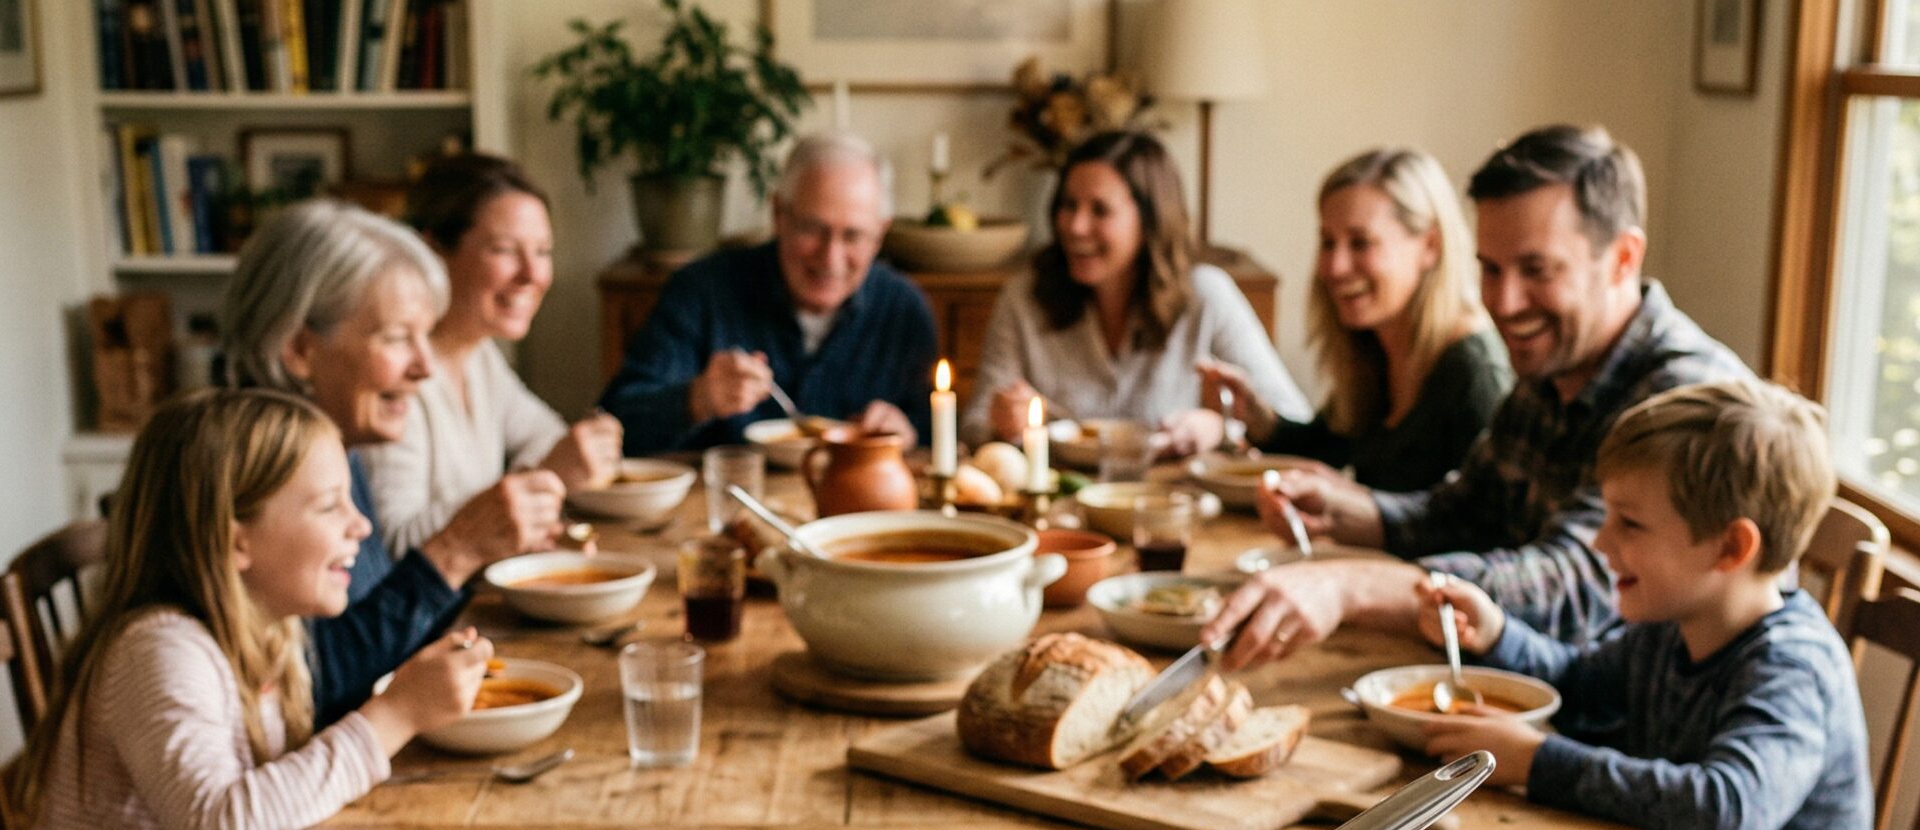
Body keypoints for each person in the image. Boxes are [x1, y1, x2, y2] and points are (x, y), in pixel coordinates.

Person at [1208, 124, 1752, 664]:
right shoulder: (1556, 361)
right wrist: (1353, 513)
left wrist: (1354, 586)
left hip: (1618, 726)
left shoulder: (1687, 396)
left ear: (1623, 258)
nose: (1505, 302)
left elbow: (1580, 586)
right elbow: (1465, 510)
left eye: (1536, 269)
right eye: (1490, 270)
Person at [18, 390, 490, 830]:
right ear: (236, 540)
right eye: (329, 505)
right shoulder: (159, 650)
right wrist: (395, 716)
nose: (360, 526)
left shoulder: (266, 628)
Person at [1413, 381, 1870, 830]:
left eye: (1628, 524)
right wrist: (1497, 632)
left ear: (1730, 548)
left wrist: (1537, 762)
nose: (1602, 543)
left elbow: (1725, 814)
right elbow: (1579, 683)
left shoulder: (1790, 667)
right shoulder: (1674, 623)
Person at [221, 198, 564, 725]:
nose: (425, 368)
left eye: (426, 336)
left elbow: (369, 624)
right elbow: (311, 690)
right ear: (298, 350)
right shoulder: (253, 475)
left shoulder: (334, 448)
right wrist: (454, 550)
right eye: (398, 337)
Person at [967, 129, 1308, 456]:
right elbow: (974, 425)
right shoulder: (1026, 296)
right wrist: (1002, 423)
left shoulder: (1206, 295)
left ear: (1148, 220)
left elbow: (1292, 421)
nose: (1075, 226)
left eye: (1100, 210)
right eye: (1068, 205)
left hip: (1174, 505)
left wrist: (1221, 427)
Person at [599, 133, 938, 454]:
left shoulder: (904, 311)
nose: (830, 258)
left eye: (852, 236)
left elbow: (934, 442)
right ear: (778, 214)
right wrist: (697, 399)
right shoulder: (702, 292)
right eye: (812, 229)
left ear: (880, 234)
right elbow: (613, 426)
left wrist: (906, 434)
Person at [1198, 147, 1509, 493]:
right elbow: (1328, 446)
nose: (1335, 267)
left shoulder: (1473, 373)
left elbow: (1484, 526)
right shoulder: (1375, 342)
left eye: (1361, 243)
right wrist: (1261, 421)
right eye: (1328, 243)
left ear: (1430, 246)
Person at [368, 152, 624, 557]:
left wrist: (562, 460)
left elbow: (546, 436)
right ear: (432, 250)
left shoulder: (479, 354)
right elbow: (392, 547)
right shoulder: (394, 375)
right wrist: (540, 480)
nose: (533, 275)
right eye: (505, 250)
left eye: (542, 251)